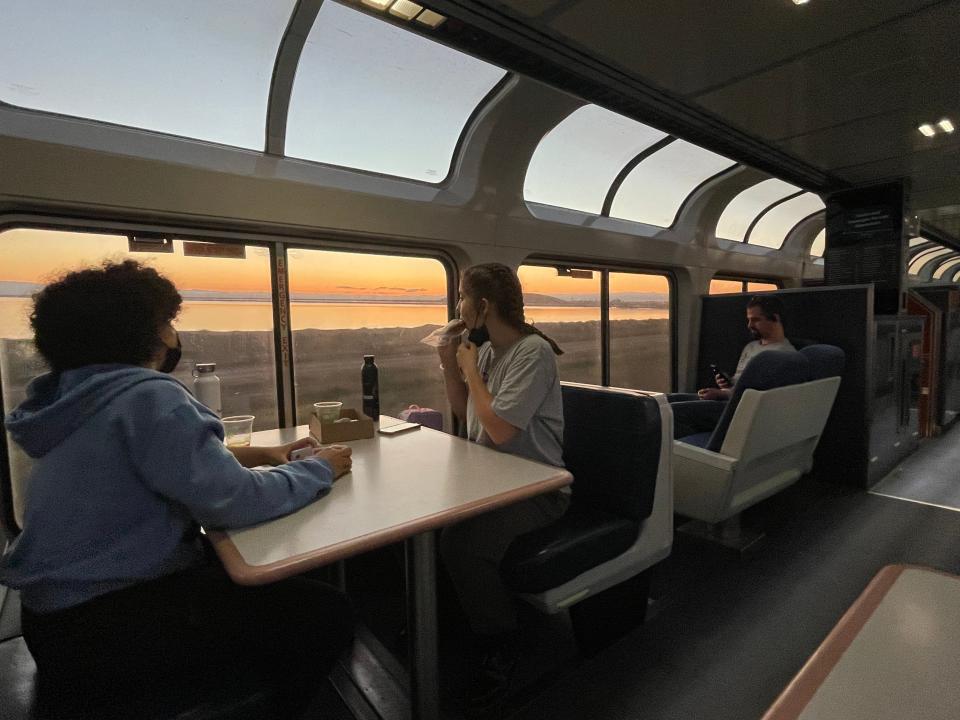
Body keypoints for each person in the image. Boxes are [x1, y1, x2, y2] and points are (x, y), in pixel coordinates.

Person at [0, 260, 354, 719]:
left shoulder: (73, 398)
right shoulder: (149, 395)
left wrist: (264, 456)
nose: (173, 333)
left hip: (52, 619)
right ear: (147, 332)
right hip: (113, 622)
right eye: (168, 321)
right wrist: (321, 468)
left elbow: (146, 466)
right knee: (326, 613)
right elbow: (236, 503)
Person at [437, 262, 567, 705]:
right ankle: (454, 624)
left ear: (483, 305)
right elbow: (465, 412)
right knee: (434, 527)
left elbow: (501, 431)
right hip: (491, 479)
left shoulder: (533, 354)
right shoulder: (489, 351)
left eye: (461, 297)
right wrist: (450, 366)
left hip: (539, 489)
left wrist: (471, 368)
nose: (458, 306)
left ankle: (502, 644)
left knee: (462, 546)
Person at [671, 295, 796, 439]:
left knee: (673, 412)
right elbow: (740, 381)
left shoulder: (783, 355)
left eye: (755, 320)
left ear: (775, 318)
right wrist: (727, 382)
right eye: (749, 320)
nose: (749, 325)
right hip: (730, 399)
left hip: (741, 410)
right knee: (668, 400)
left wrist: (722, 394)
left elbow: (761, 396)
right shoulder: (751, 347)